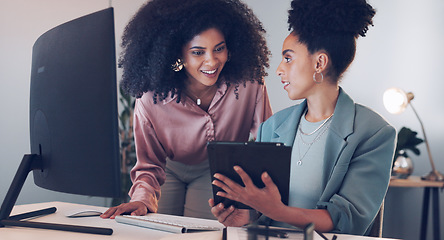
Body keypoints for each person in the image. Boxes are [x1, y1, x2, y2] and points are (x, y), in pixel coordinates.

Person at [210, 0, 397, 235]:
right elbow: (263, 209)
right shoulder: (273, 126)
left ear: (319, 63)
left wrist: (277, 210)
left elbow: (348, 220)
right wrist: (246, 214)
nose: (278, 69)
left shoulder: (373, 133)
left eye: (288, 58)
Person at [101, 0, 272, 220]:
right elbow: (149, 165)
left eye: (219, 48)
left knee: (201, 232)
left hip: (217, 171)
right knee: (159, 230)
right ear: (177, 54)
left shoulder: (250, 85)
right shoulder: (150, 99)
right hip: (168, 168)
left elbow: (267, 148)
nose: (212, 61)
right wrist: (141, 199)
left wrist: (256, 203)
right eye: (198, 52)